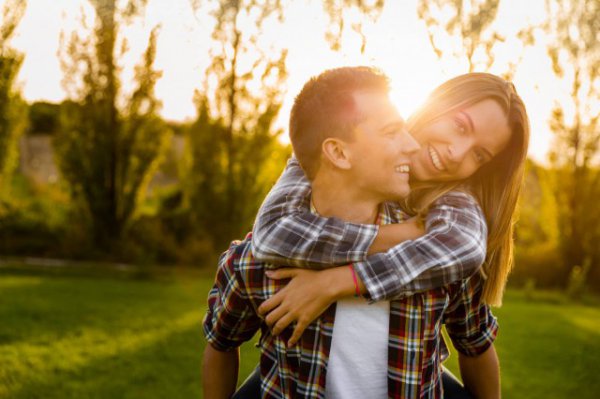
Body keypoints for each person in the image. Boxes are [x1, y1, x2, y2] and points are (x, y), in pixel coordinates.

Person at [204, 66, 529, 398]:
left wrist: (337, 282)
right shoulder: (321, 156)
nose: (457, 154)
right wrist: (401, 234)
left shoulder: (448, 228)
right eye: (460, 125)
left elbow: (466, 261)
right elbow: (272, 234)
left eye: (479, 155)